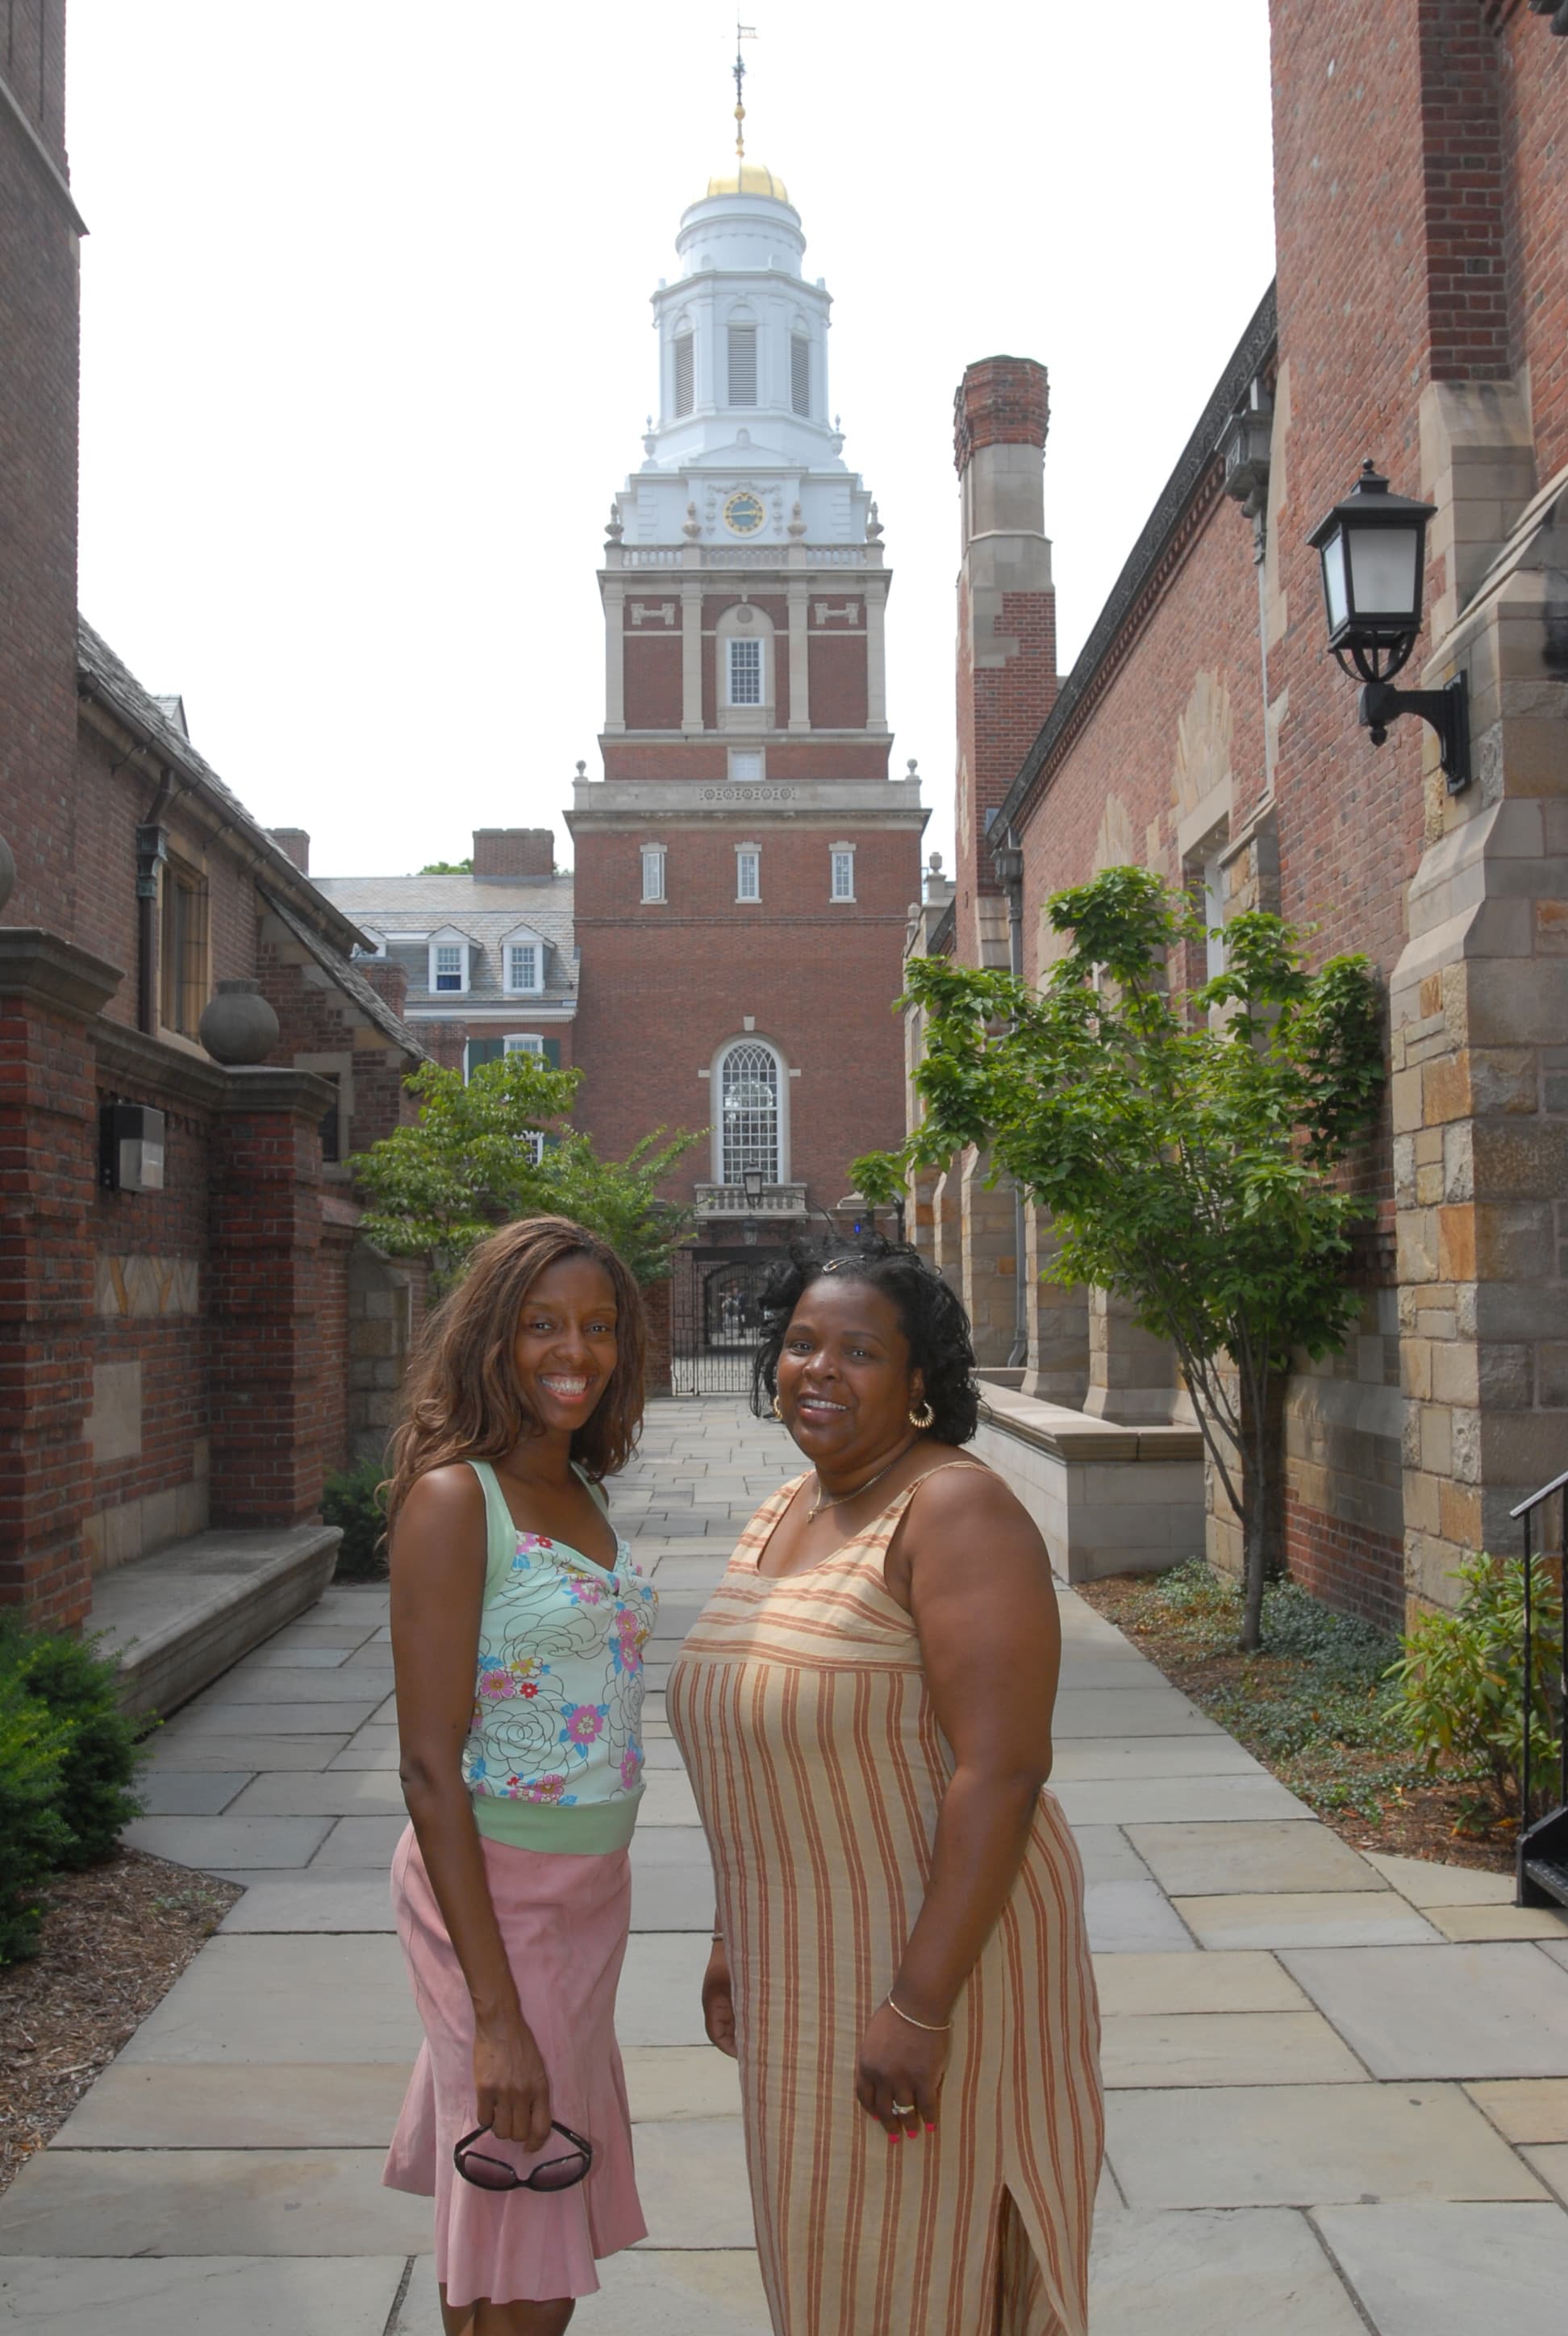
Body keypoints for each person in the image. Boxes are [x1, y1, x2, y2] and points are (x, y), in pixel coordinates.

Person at [667, 1237, 1103, 2336]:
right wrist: (731, 1931)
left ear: (920, 1385)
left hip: (933, 1959)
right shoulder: (789, 1510)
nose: (818, 1368)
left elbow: (1003, 1771)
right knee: (829, 2259)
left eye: (858, 1351)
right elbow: (761, 1748)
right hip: (798, 1959)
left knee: (915, 2266)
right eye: (802, 1343)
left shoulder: (955, 1512)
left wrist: (918, 2004)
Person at [381, 1216, 657, 2336]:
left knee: (500, 2209)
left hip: (588, 1901)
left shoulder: (576, 1486)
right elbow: (427, 1769)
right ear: (493, 1339)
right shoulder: (460, 1500)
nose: (574, 1352)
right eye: (543, 1325)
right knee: (527, 2238)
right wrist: (494, 2012)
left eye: (597, 1327)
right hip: (497, 1895)